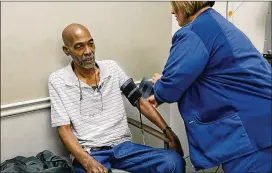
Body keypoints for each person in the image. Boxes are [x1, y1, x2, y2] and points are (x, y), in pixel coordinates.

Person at [147, 1, 272, 173]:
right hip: (262, 123)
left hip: (252, 132)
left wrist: (159, 86)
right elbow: (202, 73)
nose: (171, 11)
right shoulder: (217, 24)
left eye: (174, 4)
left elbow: (171, 86)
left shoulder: (194, 33)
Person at [48, 23, 185, 173]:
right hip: (90, 152)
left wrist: (168, 132)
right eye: (79, 46)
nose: (88, 51)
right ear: (66, 50)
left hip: (123, 147)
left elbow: (139, 101)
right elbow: (64, 130)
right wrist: (87, 162)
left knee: (173, 161)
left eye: (90, 43)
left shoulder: (111, 68)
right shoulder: (58, 80)